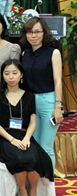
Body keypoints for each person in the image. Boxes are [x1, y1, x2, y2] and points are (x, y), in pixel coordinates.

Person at [0, 59, 54, 196]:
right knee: (19, 157)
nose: (11, 77)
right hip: (4, 136)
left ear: (21, 75)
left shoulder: (29, 96)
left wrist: (25, 139)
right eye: (7, 73)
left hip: (24, 135)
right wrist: (12, 139)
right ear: (2, 76)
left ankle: (34, 193)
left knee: (36, 158)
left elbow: (32, 123)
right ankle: (23, 193)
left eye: (14, 73)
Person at [20, 18, 64, 168]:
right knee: (35, 146)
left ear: (44, 33)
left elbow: (58, 81)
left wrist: (58, 106)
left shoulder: (53, 53)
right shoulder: (25, 54)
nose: (34, 35)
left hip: (49, 101)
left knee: (46, 147)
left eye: (37, 32)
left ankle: (48, 188)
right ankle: (36, 186)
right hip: (31, 103)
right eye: (30, 32)